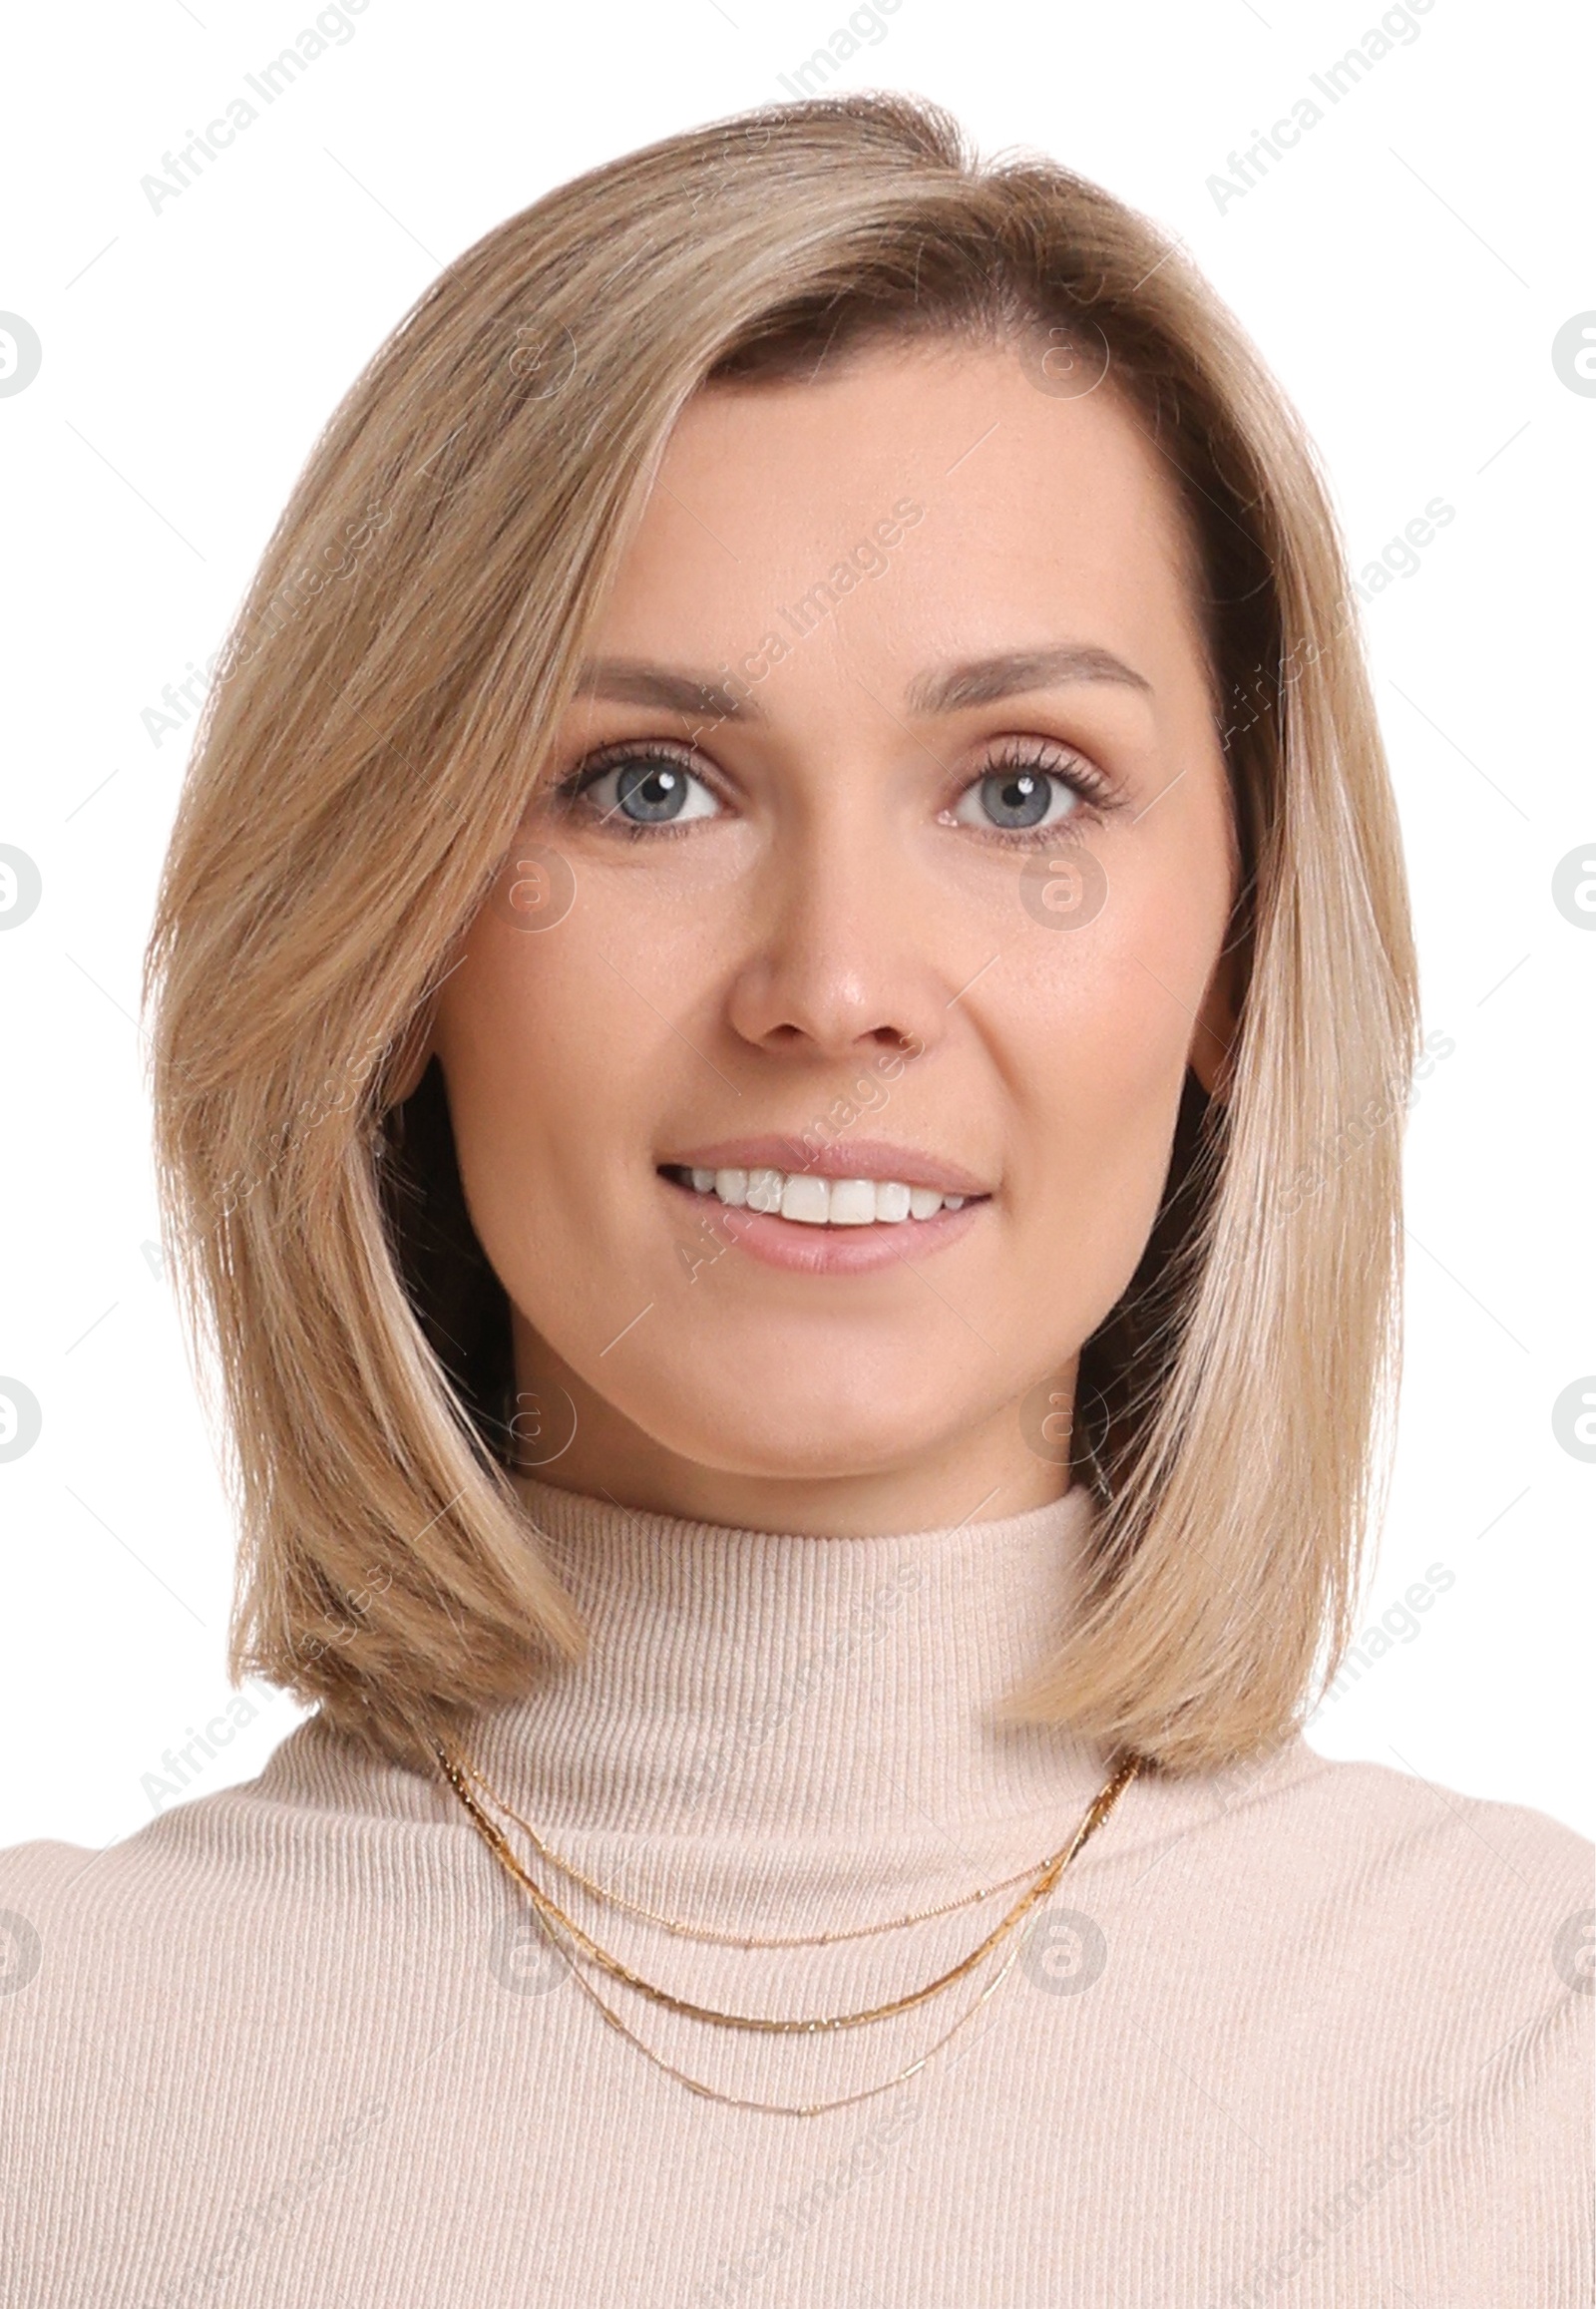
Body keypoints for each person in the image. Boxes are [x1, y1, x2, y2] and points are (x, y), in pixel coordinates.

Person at [1, 91, 1587, 2308]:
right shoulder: (47, 2084)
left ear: (1240, 946)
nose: (833, 987)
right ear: (394, 935)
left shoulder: (1538, 2065)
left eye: (1021, 786)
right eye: (645, 787)